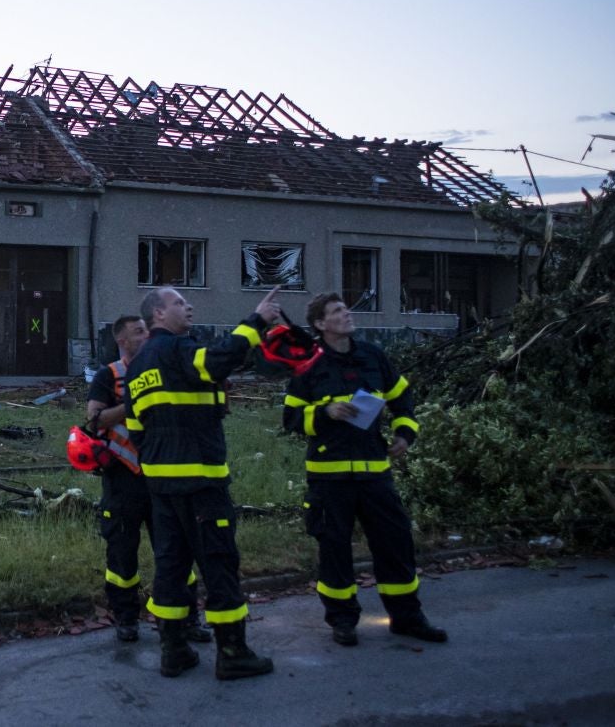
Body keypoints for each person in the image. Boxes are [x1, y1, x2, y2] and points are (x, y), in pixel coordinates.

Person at [124, 285, 282, 680]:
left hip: (161, 488)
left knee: (171, 569)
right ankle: (233, 652)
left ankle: (173, 651)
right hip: (201, 483)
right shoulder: (179, 350)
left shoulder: (138, 367)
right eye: (179, 302)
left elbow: (135, 429)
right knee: (219, 566)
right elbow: (220, 358)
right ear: (157, 315)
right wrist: (257, 320)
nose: (188, 305)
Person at [282, 292, 448, 647]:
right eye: (337, 311)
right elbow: (291, 417)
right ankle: (342, 620)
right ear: (320, 325)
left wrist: (405, 434)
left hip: (375, 471)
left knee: (396, 543)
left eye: (345, 308)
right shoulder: (307, 365)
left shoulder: (373, 356)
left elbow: (402, 399)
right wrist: (325, 412)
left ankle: (407, 617)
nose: (346, 314)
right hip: (330, 475)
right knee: (335, 548)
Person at [85, 316, 210, 645]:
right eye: (139, 332)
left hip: (164, 475)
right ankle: (126, 618)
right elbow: (94, 423)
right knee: (122, 556)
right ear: (123, 341)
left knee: (176, 554)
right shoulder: (109, 375)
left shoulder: (166, 367)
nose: (147, 335)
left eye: (147, 330)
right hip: (123, 480)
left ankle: (187, 618)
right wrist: (135, 402)